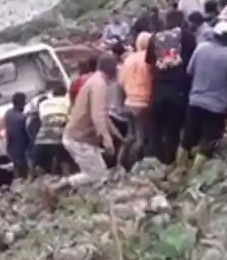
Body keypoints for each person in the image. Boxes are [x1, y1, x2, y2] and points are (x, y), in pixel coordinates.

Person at [181, 21, 227, 170]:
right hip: (217, 106)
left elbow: (189, 71)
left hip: (195, 100)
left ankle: (179, 170)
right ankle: (194, 174)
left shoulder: (201, 48)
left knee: (186, 141)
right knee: (208, 142)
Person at [61, 54, 120, 189]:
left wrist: (116, 135)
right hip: (78, 138)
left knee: (97, 174)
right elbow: (97, 116)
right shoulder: (100, 85)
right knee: (98, 175)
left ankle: (61, 188)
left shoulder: (95, 81)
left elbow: (104, 116)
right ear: (111, 69)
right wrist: (107, 140)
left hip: (76, 136)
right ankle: (58, 187)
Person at [147, 9, 196, 164]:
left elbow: (149, 63)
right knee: (173, 132)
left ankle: (154, 163)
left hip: (159, 90)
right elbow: (193, 63)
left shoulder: (154, 38)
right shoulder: (188, 37)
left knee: (156, 130)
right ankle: (170, 162)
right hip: (179, 90)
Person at [120, 32, 153, 168]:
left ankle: (120, 162)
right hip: (143, 102)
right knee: (140, 139)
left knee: (130, 136)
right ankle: (131, 166)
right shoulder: (149, 59)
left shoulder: (129, 59)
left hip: (129, 102)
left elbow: (121, 81)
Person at [32, 83, 71, 174]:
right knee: (64, 159)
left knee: (38, 163)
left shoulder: (44, 104)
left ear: (53, 94)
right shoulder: (67, 101)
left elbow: (42, 119)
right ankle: (67, 177)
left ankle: (31, 178)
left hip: (42, 137)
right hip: (59, 136)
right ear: (65, 93)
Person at [4, 92, 31, 179]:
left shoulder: (8, 114)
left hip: (11, 148)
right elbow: (27, 135)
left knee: (18, 172)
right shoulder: (22, 118)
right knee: (25, 173)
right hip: (22, 150)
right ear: (22, 103)